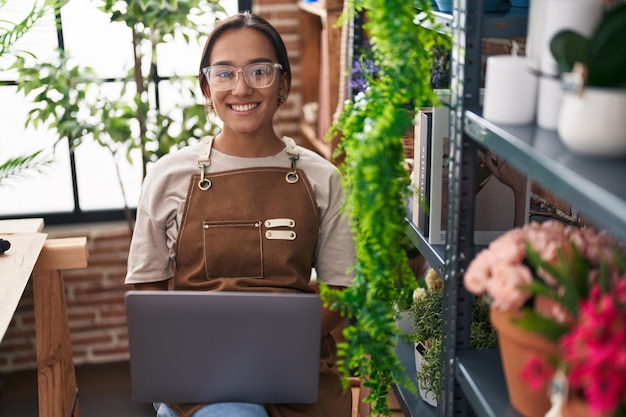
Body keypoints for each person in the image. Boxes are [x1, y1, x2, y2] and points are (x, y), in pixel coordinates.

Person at [124, 11, 356, 417]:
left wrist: (277, 344)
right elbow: (147, 288)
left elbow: (342, 293)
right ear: (206, 87)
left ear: (282, 83)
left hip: (294, 368)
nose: (242, 87)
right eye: (224, 73)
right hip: (200, 373)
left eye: (259, 71)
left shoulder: (322, 178)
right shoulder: (168, 176)